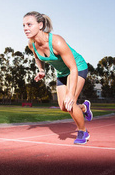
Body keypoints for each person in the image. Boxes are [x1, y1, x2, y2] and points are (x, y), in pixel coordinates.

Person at [23, 11, 93, 145]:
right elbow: (37, 56)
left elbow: (73, 68)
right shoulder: (31, 44)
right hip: (61, 72)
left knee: (70, 102)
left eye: (29, 24)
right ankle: (84, 108)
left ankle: (83, 132)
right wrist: (41, 70)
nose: (25, 28)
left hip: (77, 68)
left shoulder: (56, 42)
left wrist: (71, 95)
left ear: (40, 25)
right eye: (24, 25)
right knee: (63, 107)